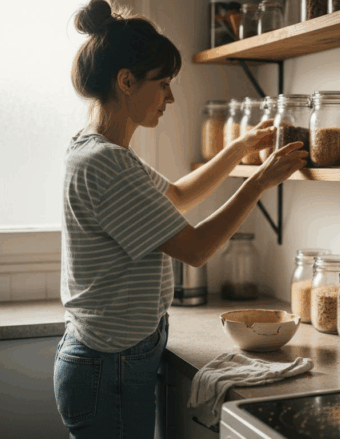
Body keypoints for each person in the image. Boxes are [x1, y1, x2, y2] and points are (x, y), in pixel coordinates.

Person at [52, 2, 307, 438]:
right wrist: (260, 181)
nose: (170, 98)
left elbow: (178, 195)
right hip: (108, 368)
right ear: (126, 81)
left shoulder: (102, 152)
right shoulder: (105, 163)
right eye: (164, 84)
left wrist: (239, 147)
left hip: (112, 359)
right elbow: (194, 249)